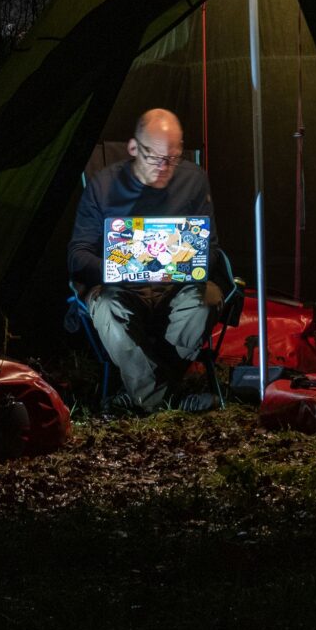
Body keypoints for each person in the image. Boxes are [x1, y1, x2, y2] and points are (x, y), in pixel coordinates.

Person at [70, 108, 220, 413]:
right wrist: (121, 269)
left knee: (205, 302)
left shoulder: (193, 180)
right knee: (110, 310)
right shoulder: (103, 186)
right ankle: (167, 399)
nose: (164, 167)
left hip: (175, 288)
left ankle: (141, 393)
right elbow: (77, 255)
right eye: (154, 158)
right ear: (134, 148)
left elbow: (211, 247)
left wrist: (189, 264)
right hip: (120, 289)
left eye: (173, 158)